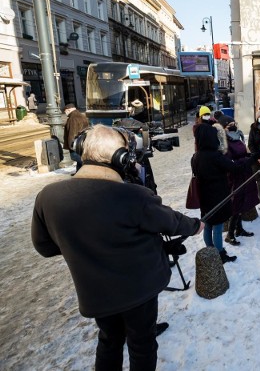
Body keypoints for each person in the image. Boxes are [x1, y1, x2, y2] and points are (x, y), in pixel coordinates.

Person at [31, 124, 204, 370]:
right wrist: (195, 225)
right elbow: (172, 222)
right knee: (141, 344)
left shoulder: (47, 197)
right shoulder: (134, 196)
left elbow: (45, 247)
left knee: (109, 341)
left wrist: (84, 247)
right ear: (122, 158)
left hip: (96, 293)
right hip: (139, 291)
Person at [193, 122, 257, 263]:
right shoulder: (215, 156)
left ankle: (211, 250)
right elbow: (235, 168)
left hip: (204, 195)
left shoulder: (196, 156)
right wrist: (251, 159)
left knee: (208, 223)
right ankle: (220, 254)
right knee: (217, 225)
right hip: (218, 195)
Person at [219, 116, 259, 244]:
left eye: (234, 123)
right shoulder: (224, 142)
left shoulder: (238, 137)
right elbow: (229, 161)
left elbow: (244, 152)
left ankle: (239, 229)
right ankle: (230, 234)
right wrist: (247, 160)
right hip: (235, 176)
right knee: (235, 203)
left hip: (245, 173)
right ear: (224, 127)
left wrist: (250, 155)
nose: (233, 125)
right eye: (230, 124)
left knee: (242, 201)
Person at [63, 103, 90, 172]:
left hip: (76, 143)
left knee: (75, 156)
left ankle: (89, 168)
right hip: (83, 141)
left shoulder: (72, 118)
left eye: (65, 111)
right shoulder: (82, 115)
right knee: (80, 157)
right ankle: (78, 172)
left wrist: (71, 145)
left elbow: (72, 133)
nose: (65, 113)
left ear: (68, 110)